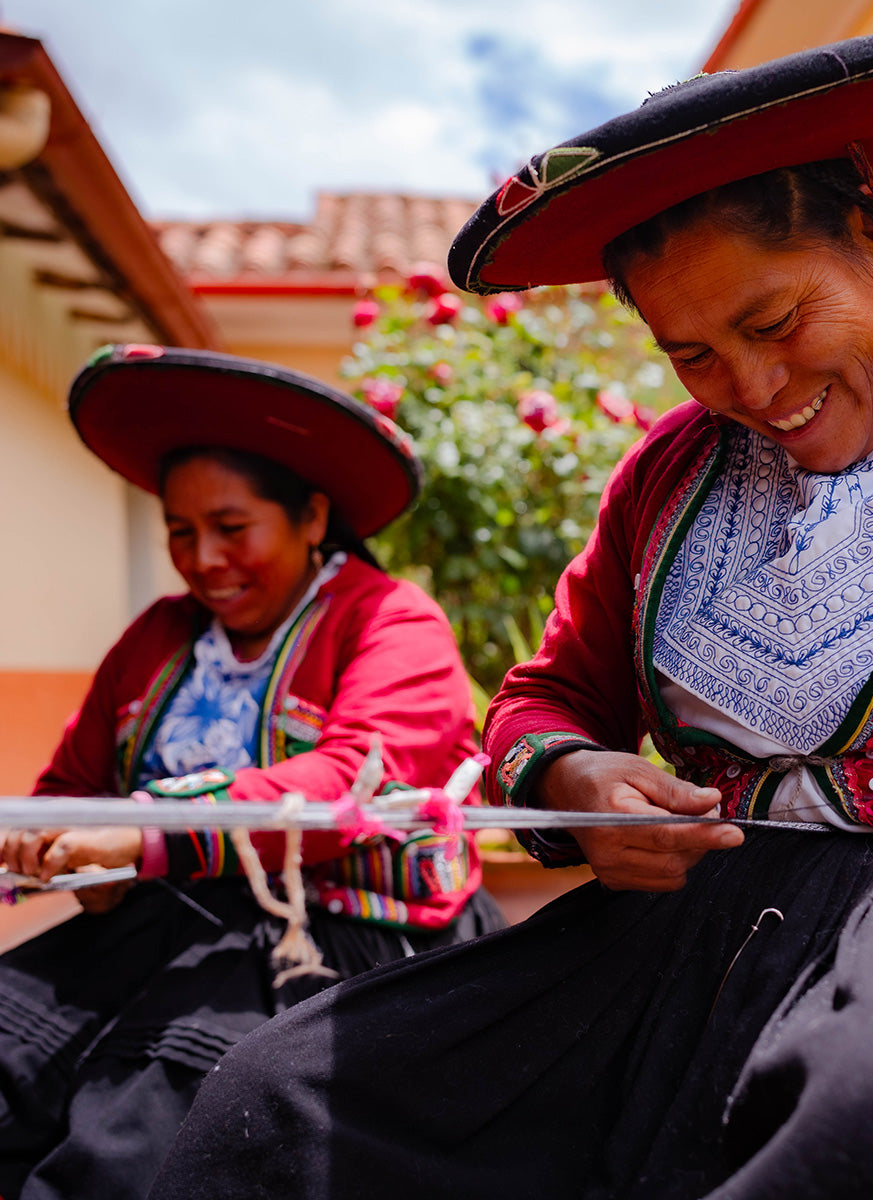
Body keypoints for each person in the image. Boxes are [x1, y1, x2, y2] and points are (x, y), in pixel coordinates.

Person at [149, 25, 873, 1200]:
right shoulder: (664, 478)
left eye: (774, 322)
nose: (752, 391)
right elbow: (543, 700)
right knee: (287, 1098)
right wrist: (570, 780)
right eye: (691, 353)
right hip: (698, 920)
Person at [0, 345, 505, 1200]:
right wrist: (64, 850)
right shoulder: (158, 636)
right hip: (169, 921)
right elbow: (71, 788)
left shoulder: (390, 620)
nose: (203, 561)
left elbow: (353, 780)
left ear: (311, 517)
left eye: (232, 529)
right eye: (180, 533)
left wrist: (141, 828)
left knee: (143, 1130)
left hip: (348, 927)